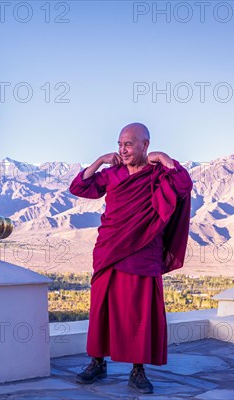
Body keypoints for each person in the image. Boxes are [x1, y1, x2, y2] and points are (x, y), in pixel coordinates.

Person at [69, 123, 192, 394]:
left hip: (143, 251)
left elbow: (183, 185)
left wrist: (165, 159)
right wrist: (100, 160)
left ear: (144, 145)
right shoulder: (112, 174)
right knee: (102, 308)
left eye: (129, 144)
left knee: (139, 313)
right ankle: (97, 362)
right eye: (120, 144)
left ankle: (138, 370)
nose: (123, 150)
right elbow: (79, 187)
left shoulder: (159, 173)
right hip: (110, 250)